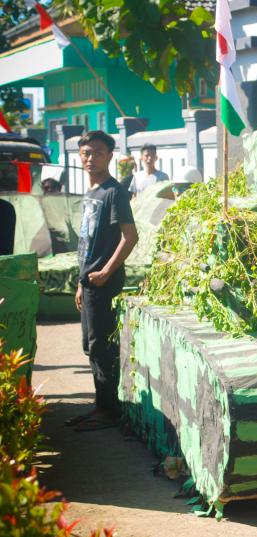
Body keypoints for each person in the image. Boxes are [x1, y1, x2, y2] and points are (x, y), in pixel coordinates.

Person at [68, 130, 138, 431]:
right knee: (91, 345)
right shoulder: (91, 192)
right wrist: (80, 283)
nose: (90, 158)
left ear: (109, 156)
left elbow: (131, 237)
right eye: (85, 153)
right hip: (89, 282)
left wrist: (106, 272)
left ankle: (109, 411)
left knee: (102, 347)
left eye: (97, 152)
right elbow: (87, 243)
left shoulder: (113, 192)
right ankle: (101, 406)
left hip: (104, 282)